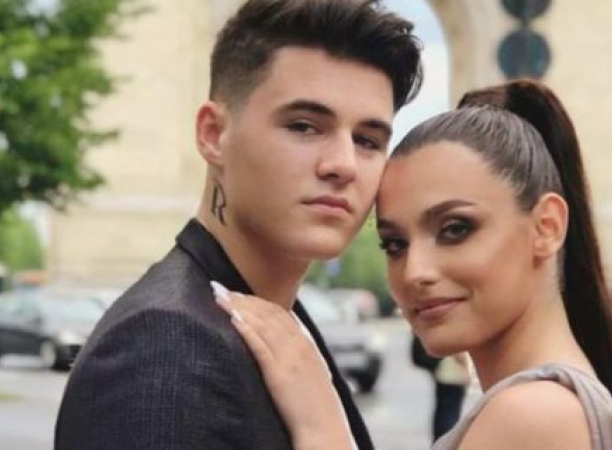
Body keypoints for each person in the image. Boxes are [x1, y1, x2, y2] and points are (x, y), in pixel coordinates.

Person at [214, 79, 612, 449]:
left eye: (455, 229)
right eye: (394, 244)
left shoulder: (536, 414)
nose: (415, 272)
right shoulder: (548, 403)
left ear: (546, 227)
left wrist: (321, 426)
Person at [54, 1, 422, 449]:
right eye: (304, 126)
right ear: (213, 135)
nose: (343, 164)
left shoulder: (275, 318)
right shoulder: (165, 347)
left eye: (367, 140)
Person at [411, 334, 469, 442]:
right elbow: (458, 353)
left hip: (442, 373)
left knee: (442, 411)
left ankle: (439, 441)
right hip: (453, 375)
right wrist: (465, 369)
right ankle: (446, 441)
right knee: (450, 413)